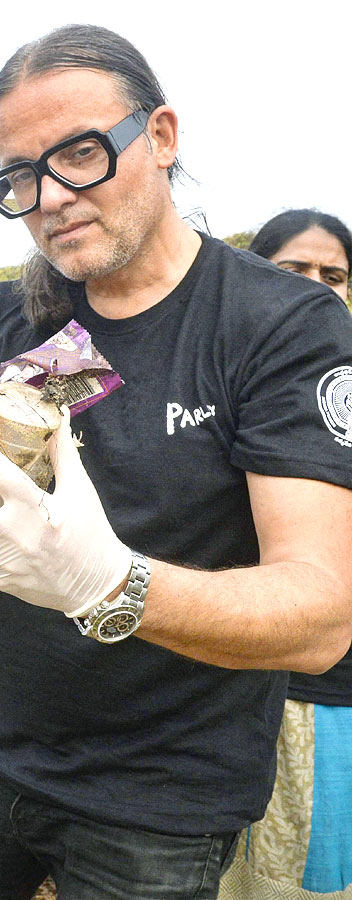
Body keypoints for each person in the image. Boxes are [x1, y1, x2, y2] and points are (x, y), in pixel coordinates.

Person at [0, 26, 352, 900]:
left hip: (161, 801)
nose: (50, 197)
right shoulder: (15, 319)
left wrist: (111, 584)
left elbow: (321, 614)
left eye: (81, 154)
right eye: (18, 176)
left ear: (162, 138)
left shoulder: (278, 327)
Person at [217, 210, 352, 900]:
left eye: (334, 275)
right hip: (235, 676)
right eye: (294, 269)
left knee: (301, 877)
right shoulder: (230, 371)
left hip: (328, 693)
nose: (317, 288)